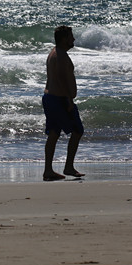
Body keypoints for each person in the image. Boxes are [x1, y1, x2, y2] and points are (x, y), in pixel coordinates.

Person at [42, 26, 85, 181]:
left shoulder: (55, 53)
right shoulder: (59, 56)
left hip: (51, 98)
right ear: (64, 38)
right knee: (78, 130)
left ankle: (48, 171)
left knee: (54, 133)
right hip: (59, 99)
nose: (73, 39)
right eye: (70, 36)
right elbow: (61, 79)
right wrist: (69, 99)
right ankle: (68, 166)